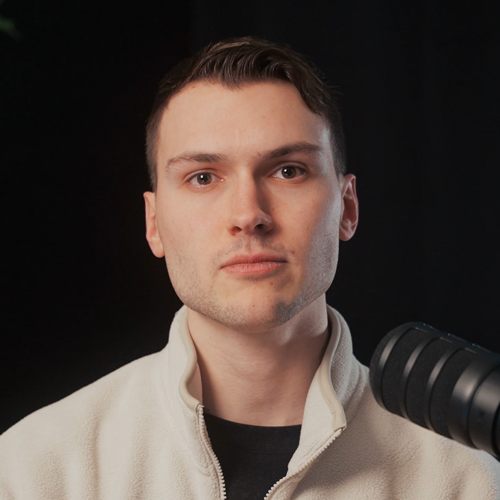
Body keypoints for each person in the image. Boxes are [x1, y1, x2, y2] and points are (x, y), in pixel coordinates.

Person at [1, 36, 499, 500]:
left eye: (288, 171)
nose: (248, 215)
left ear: (347, 208)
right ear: (154, 224)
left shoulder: (466, 477)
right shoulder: (36, 469)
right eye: (203, 177)